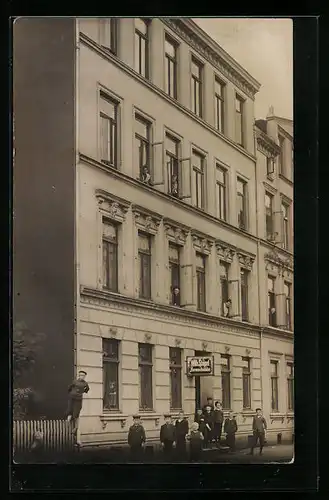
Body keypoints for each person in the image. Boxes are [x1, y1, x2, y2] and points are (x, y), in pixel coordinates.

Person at [67, 370, 89, 435]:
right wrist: (71, 392)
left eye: (82, 375)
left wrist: (82, 391)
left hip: (78, 399)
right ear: (78, 375)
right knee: (69, 410)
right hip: (72, 398)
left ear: (84, 376)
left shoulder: (85, 383)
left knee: (76, 414)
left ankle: (75, 428)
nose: (81, 376)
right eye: (80, 375)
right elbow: (69, 387)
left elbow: (87, 389)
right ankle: (68, 423)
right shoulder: (75, 382)